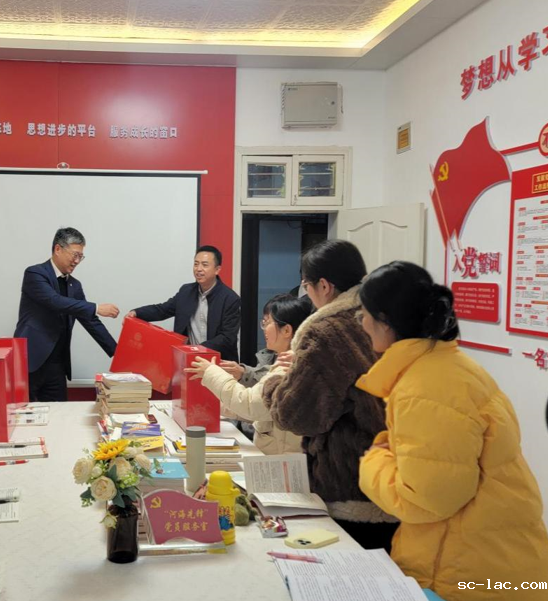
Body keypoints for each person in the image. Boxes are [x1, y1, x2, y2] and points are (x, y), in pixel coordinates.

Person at [356, 262, 548, 600]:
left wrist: (372, 463)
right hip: (495, 557)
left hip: (471, 576)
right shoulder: (447, 367)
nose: (361, 322)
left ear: (385, 321)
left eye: (364, 313)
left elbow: (427, 501)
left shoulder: (424, 389)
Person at [261, 239, 398, 550]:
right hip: (394, 472)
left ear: (323, 286)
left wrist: (277, 379)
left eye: (306, 286)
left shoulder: (327, 331)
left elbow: (296, 416)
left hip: (350, 482)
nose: (307, 295)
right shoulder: (384, 318)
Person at [185, 294, 312, 455]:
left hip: (281, 460)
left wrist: (211, 372)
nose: (264, 329)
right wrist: (213, 406)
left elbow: (249, 404)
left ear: (286, 330)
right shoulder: (285, 361)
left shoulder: (288, 367)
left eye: (267, 322)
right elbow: (260, 409)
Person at [14, 227, 119, 402]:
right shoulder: (35, 274)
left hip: (57, 365)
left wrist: (117, 352)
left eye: (81, 256)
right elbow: (55, 301)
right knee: (26, 414)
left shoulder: (75, 285)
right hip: (31, 362)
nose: (77, 261)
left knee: (59, 413)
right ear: (58, 249)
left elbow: (90, 321)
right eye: (74, 255)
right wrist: (96, 307)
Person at [127, 245, 241, 361]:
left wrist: (197, 349)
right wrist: (137, 312)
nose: (199, 269)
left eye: (204, 265)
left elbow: (227, 337)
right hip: (189, 360)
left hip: (218, 361)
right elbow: (162, 310)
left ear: (217, 270)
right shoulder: (186, 292)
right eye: (196, 264)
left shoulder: (230, 299)